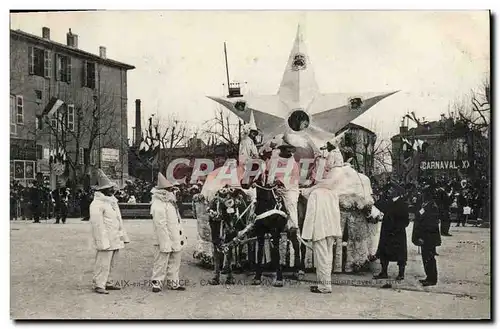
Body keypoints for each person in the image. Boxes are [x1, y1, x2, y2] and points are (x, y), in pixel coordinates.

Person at [301, 169, 343, 294]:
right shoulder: (333, 193)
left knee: (321, 259)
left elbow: (310, 214)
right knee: (328, 257)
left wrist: (307, 234)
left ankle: (324, 286)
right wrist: (337, 230)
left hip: (319, 228)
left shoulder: (315, 194)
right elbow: (336, 213)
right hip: (331, 228)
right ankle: (324, 284)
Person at [89, 169, 130, 294]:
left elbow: (118, 220)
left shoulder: (111, 202)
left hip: (115, 237)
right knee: (103, 262)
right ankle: (99, 284)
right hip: (106, 239)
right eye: (109, 188)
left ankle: (108, 281)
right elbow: (97, 225)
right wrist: (102, 241)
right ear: (102, 190)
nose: (113, 190)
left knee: (112, 263)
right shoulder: (97, 204)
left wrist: (122, 235)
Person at [150, 172, 186, 293]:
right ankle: (157, 283)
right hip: (163, 238)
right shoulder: (157, 204)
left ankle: (173, 282)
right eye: (170, 189)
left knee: (175, 261)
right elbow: (160, 225)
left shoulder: (170, 202)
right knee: (161, 261)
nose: (172, 191)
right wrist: (165, 242)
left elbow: (177, 219)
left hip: (175, 235)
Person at [371, 181, 410, 280]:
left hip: (397, 232)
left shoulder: (402, 203)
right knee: (384, 252)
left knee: (400, 254)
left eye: (391, 190)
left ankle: (401, 274)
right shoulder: (389, 201)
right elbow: (378, 204)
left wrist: (398, 228)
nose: (389, 191)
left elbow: (406, 220)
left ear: (397, 192)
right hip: (387, 230)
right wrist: (383, 194)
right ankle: (384, 272)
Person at [412, 182, 441, 287]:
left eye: (424, 193)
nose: (422, 195)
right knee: (426, 258)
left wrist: (422, 236)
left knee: (429, 258)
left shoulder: (432, 206)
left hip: (429, 238)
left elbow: (431, 224)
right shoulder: (426, 204)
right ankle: (429, 277)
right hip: (425, 237)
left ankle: (432, 279)